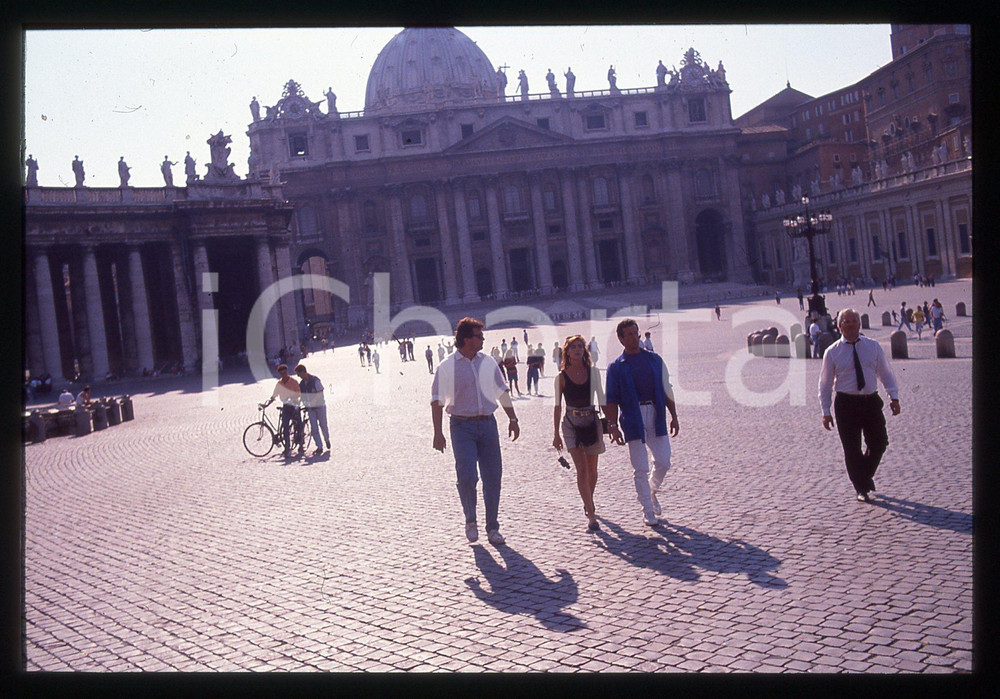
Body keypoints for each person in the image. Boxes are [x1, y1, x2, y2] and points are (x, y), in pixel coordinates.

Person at [431, 317, 520, 546]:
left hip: (488, 424)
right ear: (466, 339)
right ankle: (470, 520)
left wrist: (512, 418)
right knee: (467, 475)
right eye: (479, 336)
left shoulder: (488, 362)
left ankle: (493, 527)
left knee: (493, 476)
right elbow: (436, 401)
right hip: (461, 427)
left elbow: (501, 391)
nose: (482, 339)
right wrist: (437, 433)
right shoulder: (447, 366)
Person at [819, 308, 901, 502]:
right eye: (846, 321)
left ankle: (864, 475)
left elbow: (885, 372)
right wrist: (825, 411)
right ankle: (861, 488)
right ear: (840, 326)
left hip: (870, 401)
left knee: (879, 442)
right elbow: (825, 384)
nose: (851, 324)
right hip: (846, 404)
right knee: (852, 448)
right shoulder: (832, 352)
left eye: (854, 320)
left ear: (859, 323)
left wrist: (894, 396)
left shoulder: (873, 346)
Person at [604, 319, 679, 527]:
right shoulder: (616, 367)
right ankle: (647, 510)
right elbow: (611, 399)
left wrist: (674, 415)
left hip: (656, 413)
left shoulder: (654, 360)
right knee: (640, 467)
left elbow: (667, 388)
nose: (633, 337)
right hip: (632, 417)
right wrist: (612, 426)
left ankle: (651, 490)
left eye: (635, 332)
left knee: (664, 461)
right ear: (621, 339)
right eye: (628, 334)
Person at [552, 335, 607, 531]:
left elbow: (601, 398)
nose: (577, 350)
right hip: (571, 423)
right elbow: (557, 406)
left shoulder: (593, 373)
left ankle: (588, 500)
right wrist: (556, 434)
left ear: (584, 351)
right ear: (567, 352)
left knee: (592, 471)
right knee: (582, 470)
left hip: (591, 421)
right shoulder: (561, 377)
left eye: (580, 347)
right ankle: (591, 514)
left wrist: (612, 424)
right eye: (573, 347)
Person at [260, 364, 303, 457]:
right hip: (286, 407)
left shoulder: (294, 382)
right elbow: (274, 395)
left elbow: (299, 393)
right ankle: (287, 447)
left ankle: (301, 443)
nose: (283, 374)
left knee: (299, 425)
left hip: (295, 405)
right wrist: (267, 404)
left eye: (284, 372)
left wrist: (293, 398)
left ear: (287, 372)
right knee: (285, 427)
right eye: (281, 373)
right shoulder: (279, 384)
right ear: (279, 374)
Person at [295, 364, 330, 456]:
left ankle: (327, 439)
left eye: (299, 374)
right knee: (314, 428)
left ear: (303, 372)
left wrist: (313, 401)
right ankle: (319, 447)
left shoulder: (315, 380)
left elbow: (320, 392)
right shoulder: (302, 384)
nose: (298, 376)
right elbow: (301, 395)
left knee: (323, 425)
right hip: (310, 409)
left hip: (320, 406)